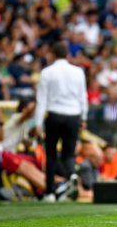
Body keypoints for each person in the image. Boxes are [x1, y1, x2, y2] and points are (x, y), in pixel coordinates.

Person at [35, 42, 88, 202]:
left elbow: (41, 100)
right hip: (73, 115)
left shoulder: (46, 72)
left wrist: (38, 123)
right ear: (67, 55)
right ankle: (71, 175)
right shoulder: (78, 72)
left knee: (50, 154)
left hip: (54, 115)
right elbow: (82, 97)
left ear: (52, 54)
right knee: (69, 153)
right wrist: (83, 117)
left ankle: (50, 192)